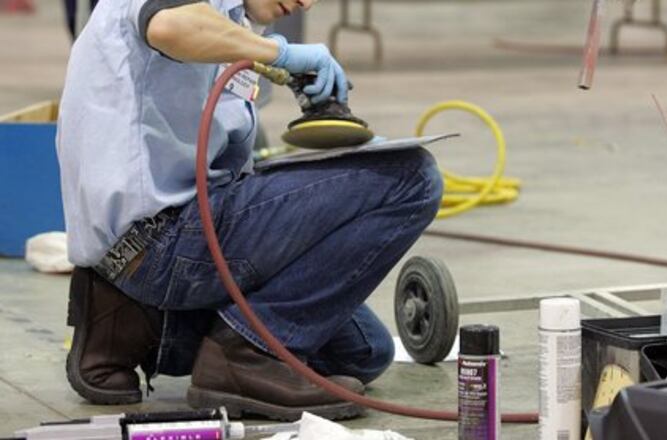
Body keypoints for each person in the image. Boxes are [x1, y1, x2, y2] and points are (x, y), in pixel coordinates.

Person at [57, 0, 443, 421]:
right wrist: (278, 54)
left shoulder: (230, 23)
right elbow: (170, 25)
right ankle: (244, 356)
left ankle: (132, 324)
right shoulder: (194, 17)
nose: (305, 3)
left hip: (159, 245)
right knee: (411, 177)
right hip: (160, 239)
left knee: (363, 352)